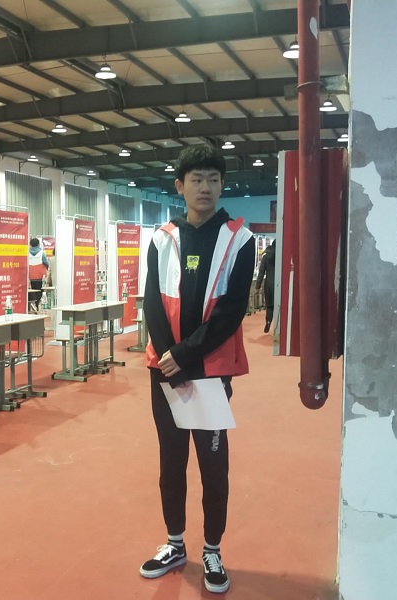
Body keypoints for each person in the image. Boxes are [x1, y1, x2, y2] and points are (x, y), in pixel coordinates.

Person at [141, 144, 255, 594]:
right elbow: (152, 303)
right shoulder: (161, 238)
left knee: (212, 467)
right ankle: (174, 544)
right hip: (165, 371)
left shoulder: (240, 240)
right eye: (196, 179)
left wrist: (185, 355)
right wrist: (168, 357)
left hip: (209, 371)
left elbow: (231, 311)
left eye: (213, 179)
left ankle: (212, 550)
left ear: (222, 185)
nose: (205, 187)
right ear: (180, 186)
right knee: (171, 462)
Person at [256, 240, 277, 333]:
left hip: (268, 284)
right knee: (279, 305)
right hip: (278, 284)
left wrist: (257, 286)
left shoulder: (266, 256)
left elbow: (261, 273)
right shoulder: (281, 256)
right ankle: (278, 326)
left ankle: (268, 321)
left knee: (269, 305)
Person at [28, 237, 49, 312]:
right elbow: (46, 263)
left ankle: (34, 306)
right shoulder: (42, 252)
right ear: (38, 244)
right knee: (40, 292)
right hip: (40, 276)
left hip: (31, 276)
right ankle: (37, 305)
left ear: (30, 244)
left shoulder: (27, 253)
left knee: (33, 292)